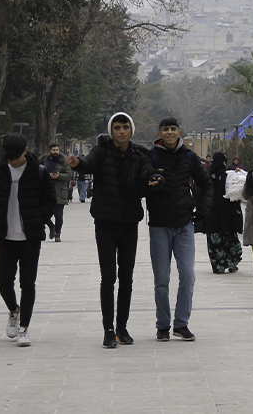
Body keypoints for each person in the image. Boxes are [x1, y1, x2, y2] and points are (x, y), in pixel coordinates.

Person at [67, 112, 162, 348]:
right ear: (111, 131)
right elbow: (88, 164)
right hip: (105, 222)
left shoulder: (140, 154)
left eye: (125, 127)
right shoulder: (101, 151)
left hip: (130, 223)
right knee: (108, 277)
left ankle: (122, 328)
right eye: (117, 128)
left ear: (132, 131)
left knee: (126, 278)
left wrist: (153, 179)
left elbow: (148, 171)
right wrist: (77, 164)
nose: (121, 132)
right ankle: (108, 330)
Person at [0, 133, 56, 348]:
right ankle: (13, 310)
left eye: (16, 156)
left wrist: (38, 220)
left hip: (29, 238)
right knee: (4, 282)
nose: (12, 160)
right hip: (6, 237)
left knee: (27, 283)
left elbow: (50, 201)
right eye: (9, 156)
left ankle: (24, 327)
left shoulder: (39, 172)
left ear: (25, 151)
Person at [147, 117, 213, 342]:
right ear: (159, 132)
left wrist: (202, 210)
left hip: (184, 225)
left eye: (173, 129)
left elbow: (206, 183)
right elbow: (141, 180)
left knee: (187, 275)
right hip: (159, 225)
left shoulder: (189, 157)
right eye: (165, 129)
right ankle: (163, 325)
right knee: (162, 280)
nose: (169, 132)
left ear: (179, 132)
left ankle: (181, 323)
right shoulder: (152, 156)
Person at [197, 152, 243, 274]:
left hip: (211, 214)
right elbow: (236, 194)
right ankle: (231, 263)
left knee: (214, 240)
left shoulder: (206, 176)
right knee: (229, 238)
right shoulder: (228, 176)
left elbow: (199, 192)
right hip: (227, 215)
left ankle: (217, 265)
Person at [40, 143, 71, 242]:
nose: (55, 152)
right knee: (42, 214)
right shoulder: (43, 161)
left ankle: (58, 234)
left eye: (57, 150)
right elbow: (37, 174)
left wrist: (59, 176)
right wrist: (47, 176)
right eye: (53, 150)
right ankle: (51, 226)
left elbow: (69, 175)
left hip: (59, 192)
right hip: (46, 192)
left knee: (58, 215)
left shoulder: (63, 162)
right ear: (50, 151)